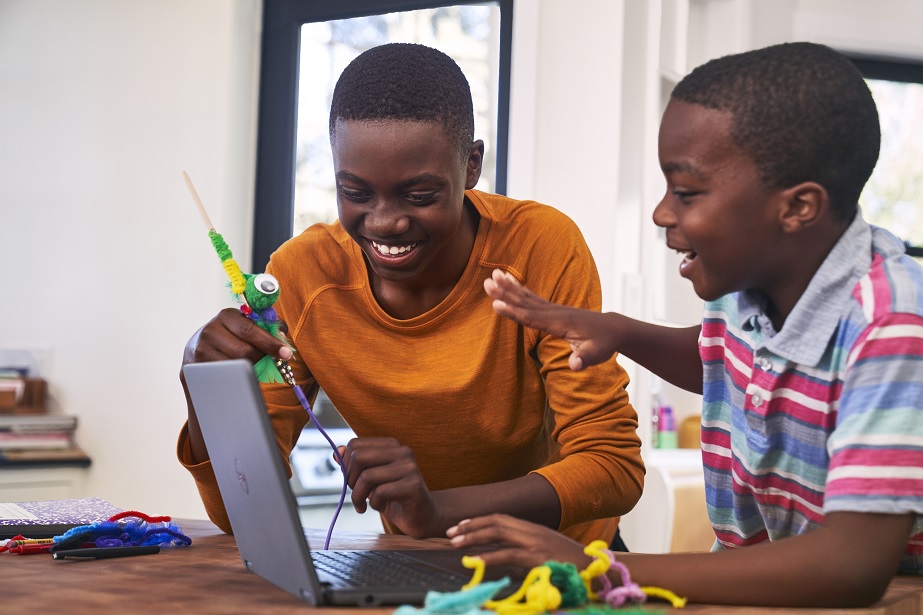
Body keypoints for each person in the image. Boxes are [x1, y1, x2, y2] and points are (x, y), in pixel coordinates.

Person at [446, 42, 923, 615]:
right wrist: (621, 330)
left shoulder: (890, 319)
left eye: (687, 192)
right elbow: (721, 360)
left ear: (797, 207)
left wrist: (602, 568)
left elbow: (852, 565)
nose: (661, 212)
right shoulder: (747, 287)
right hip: (778, 608)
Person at [177, 43, 644, 548]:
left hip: (559, 556)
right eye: (355, 193)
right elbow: (239, 512)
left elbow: (612, 467)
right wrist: (208, 393)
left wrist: (439, 511)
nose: (384, 222)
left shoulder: (538, 248)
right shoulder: (302, 274)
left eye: (419, 196)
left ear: (470, 166)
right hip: (412, 556)